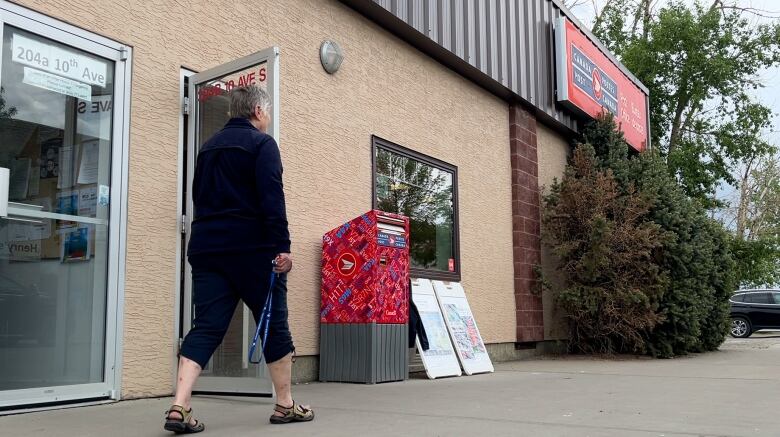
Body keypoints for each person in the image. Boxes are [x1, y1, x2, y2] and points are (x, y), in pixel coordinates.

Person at [164, 85, 314, 434]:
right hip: (253, 250)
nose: (269, 118)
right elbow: (272, 199)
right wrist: (283, 247)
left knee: (207, 325)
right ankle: (285, 405)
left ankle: (179, 404)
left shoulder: (207, 147)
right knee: (273, 323)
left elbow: (198, 196)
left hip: (207, 247)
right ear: (259, 112)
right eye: (269, 112)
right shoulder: (263, 145)